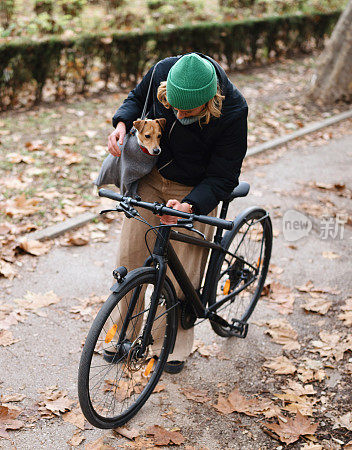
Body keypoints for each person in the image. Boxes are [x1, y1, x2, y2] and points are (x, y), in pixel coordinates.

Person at [106, 52, 248, 374]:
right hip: (153, 178)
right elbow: (136, 98)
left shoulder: (234, 111)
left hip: (194, 190)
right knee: (130, 260)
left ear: (210, 102)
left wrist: (191, 206)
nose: (178, 113)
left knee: (180, 273)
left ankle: (169, 345)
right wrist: (121, 123)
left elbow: (224, 176)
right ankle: (124, 332)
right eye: (172, 104)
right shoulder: (162, 70)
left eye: (188, 109)